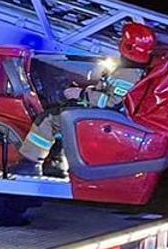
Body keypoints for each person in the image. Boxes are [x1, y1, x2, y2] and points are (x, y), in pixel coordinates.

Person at [19, 23, 157, 171]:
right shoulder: (132, 70)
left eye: (122, 40)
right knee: (62, 113)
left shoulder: (128, 74)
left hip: (104, 119)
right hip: (103, 115)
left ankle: (30, 164)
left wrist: (81, 94)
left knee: (48, 119)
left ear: (128, 46)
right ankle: (57, 163)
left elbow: (112, 103)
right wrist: (87, 91)